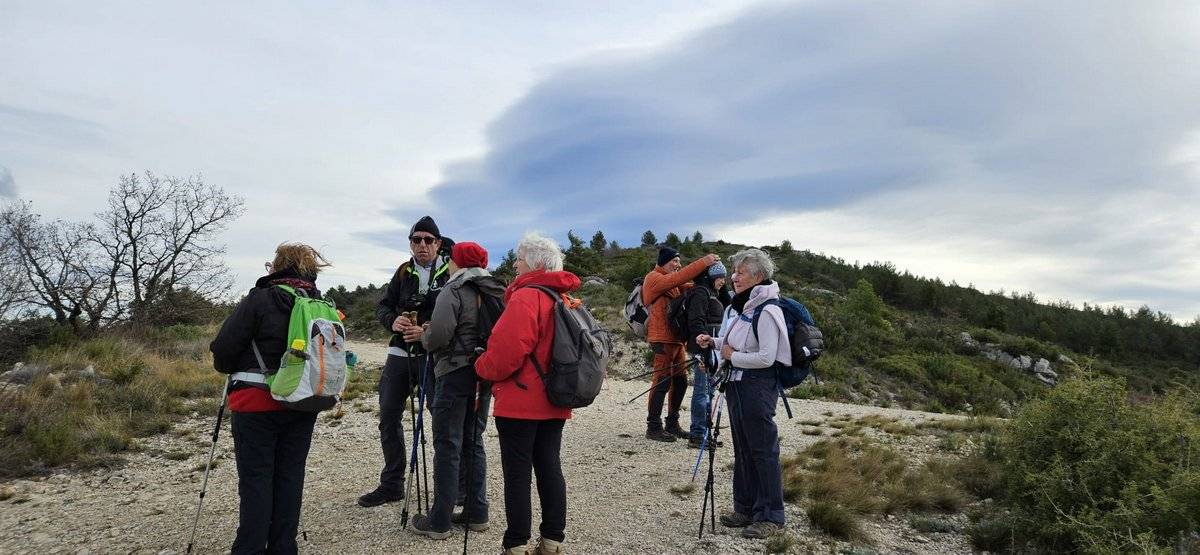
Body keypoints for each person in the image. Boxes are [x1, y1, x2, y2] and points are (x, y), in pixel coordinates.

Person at [209, 242, 332, 554]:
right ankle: (283, 547)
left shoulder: (260, 298)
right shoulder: (320, 304)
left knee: (256, 479)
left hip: (256, 404)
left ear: (278, 266)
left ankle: (249, 548)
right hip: (303, 402)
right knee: (290, 477)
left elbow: (223, 352)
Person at [475, 233, 579, 555]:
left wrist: (480, 366)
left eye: (518, 259)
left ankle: (516, 545)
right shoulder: (563, 299)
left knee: (517, 474)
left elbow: (506, 354)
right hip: (556, 398)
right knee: (549, 466)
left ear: (532, 263)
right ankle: (552, 542)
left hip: (520, 403)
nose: (515, 265)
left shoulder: (526, 297)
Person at [406, 242, 503, 539]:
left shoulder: (455, 288)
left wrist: (424, 335)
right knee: (473, 441)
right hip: (481, 375)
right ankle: (477, 512)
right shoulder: (493, 289)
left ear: (457, 261)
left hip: (454, 373)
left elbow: (439, 337)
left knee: (448, 445)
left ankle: (440, 521)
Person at [697, 248, 790, 539]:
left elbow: (766, 357)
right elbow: (733, 343)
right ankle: (746, 508)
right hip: (738, 384)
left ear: (758, 276)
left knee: (763, 451)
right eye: (734, 272)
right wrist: (713, 342)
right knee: (744, 449)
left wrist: (731, 356)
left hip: (758, 386)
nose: (733, 277)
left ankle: (771, 516)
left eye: (740, 273)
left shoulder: (768, 309)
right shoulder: (744, 306)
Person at [360, 215, 452, 507]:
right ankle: (392, 484)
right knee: (388, 417)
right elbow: (383, 305)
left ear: (438, 243)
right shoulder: (403, 271)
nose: (422, 245)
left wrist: (424, 328)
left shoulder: (451, 272)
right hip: (399, 354)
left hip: (433, 356)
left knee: (440, 419)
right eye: (416, 240)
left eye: (428, 240)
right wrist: (393, 321)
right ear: (411, 243)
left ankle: (447, 488)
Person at [641, 246, 721, 442]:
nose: (678, 265)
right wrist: (704, 262)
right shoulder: (654, 278)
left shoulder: (672, 281)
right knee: (661, 381)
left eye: (679, 261)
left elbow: (691, 285)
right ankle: (653, 426)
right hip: (661, 338)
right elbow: (678, 279)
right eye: (674, 261)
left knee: (680, 381)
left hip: (676, 339)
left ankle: (672, 423)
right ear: (663, 262)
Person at [684, 261, 730, 449]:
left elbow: (730, 305)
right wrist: (704, 347)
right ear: (711, 277)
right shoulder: (701, 292)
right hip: (703, 349)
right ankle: (697, 434)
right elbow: (696, 322)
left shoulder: (713, 293)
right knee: (702, 391)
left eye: (724, 278)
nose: (723, 281)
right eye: (720, 277)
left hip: (712, 349)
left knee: (709, 391)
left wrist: (723, 289)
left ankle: (703, 433)